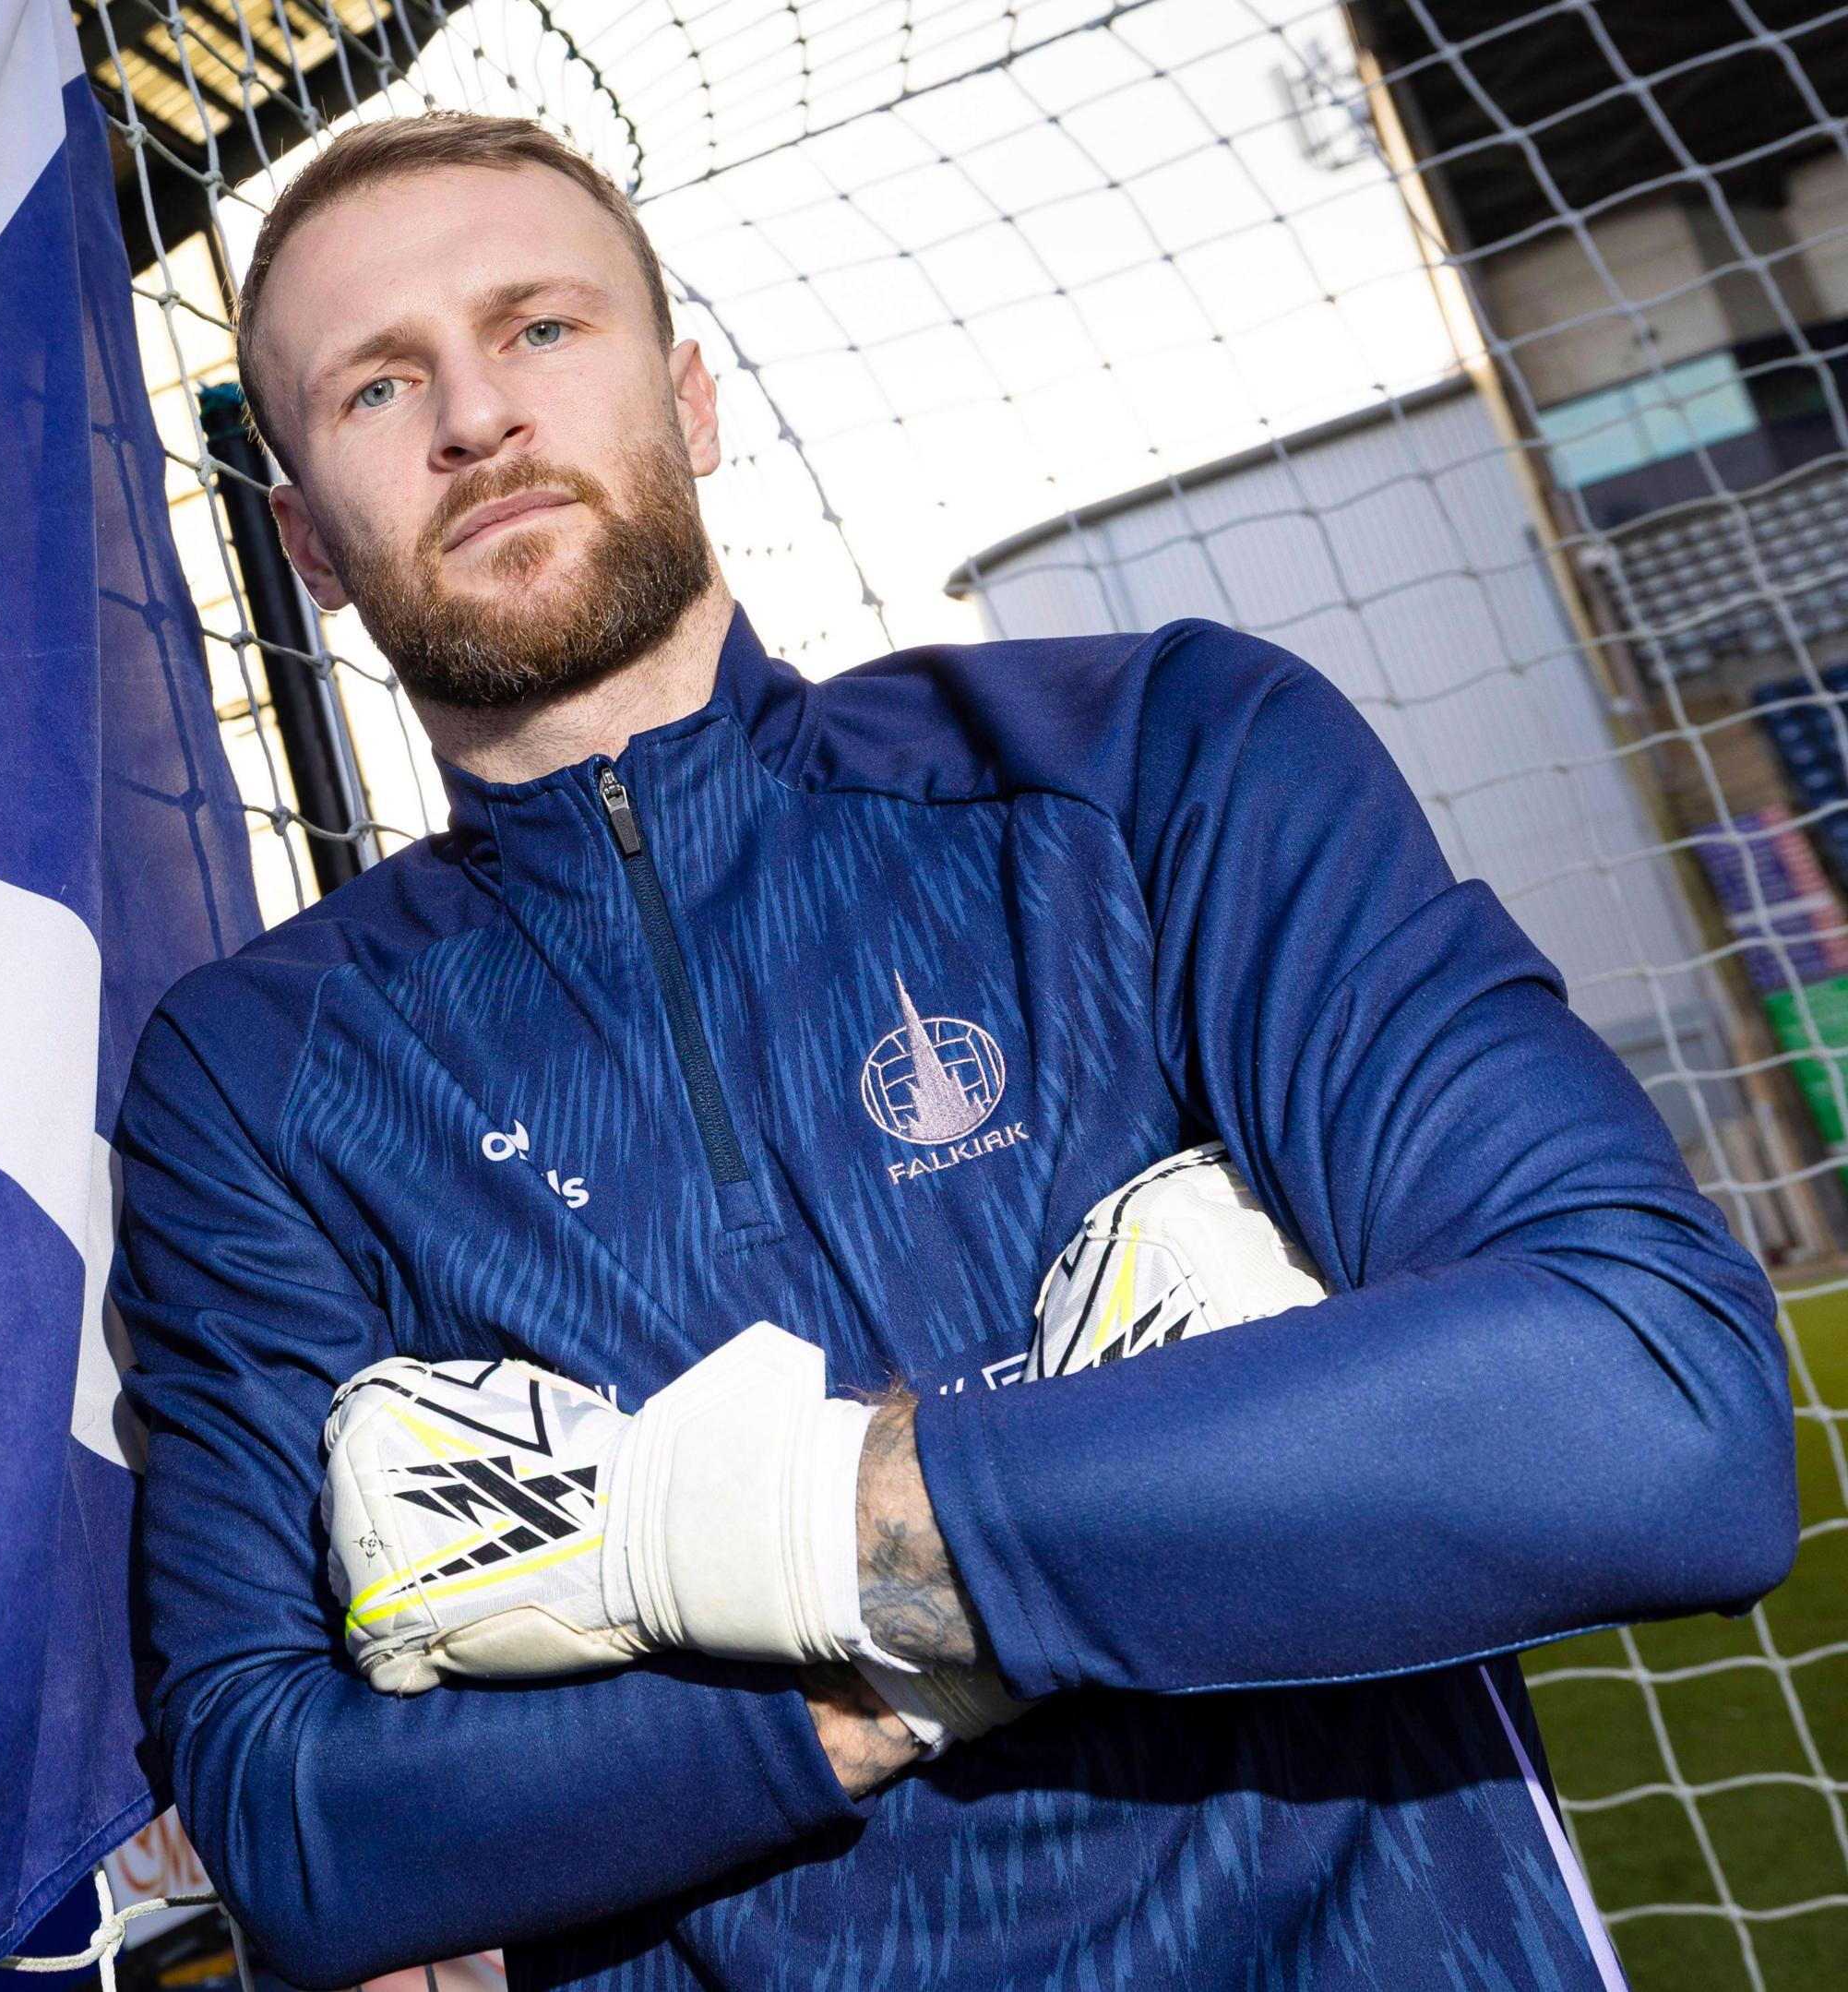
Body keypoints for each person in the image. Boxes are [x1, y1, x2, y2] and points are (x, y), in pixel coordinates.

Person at [110, 111, 1796, 1991]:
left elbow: (1656, 1415)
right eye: (374, 387)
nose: (477, 419)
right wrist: (1164, 1495)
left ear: (691, 396)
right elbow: (295, 1828)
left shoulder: (1155, 760)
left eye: (543, 330)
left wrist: (675, 1556)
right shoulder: (254, 1076)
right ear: (305, 546)